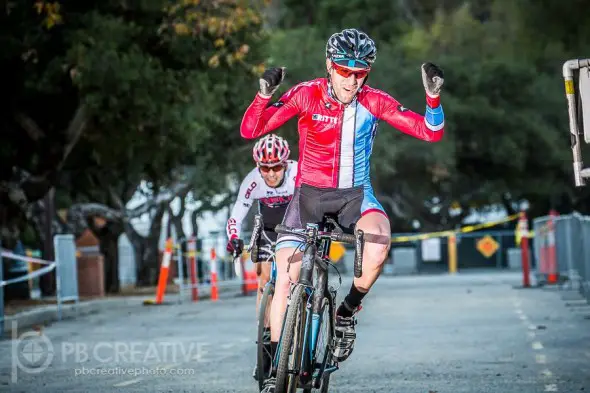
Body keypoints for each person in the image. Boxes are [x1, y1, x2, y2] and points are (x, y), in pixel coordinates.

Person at [240, 28, 445, 392]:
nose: (352, 79)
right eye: (344, 70)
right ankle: (274, 370)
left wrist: (432, 98)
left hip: (355, 196)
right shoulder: (307, 94)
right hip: (308, 198)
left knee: (379, 243)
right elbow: (251, 129)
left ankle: (346, 313)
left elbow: (430, 132)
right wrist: (263, 95)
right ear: (329, 66)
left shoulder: (373, 100)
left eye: (360, 72)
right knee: (285, 277)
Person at [225, 133, 297, 382]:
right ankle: (266, 342)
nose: (271, 173)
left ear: (285, 163)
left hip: (295, 231)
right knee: (263, 281)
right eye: (265, 168)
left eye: (276, 167)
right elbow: (237, 214)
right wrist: (233, 237)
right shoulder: (253, 181)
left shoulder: (299, 174)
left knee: (294, 281)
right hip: (267, 232)